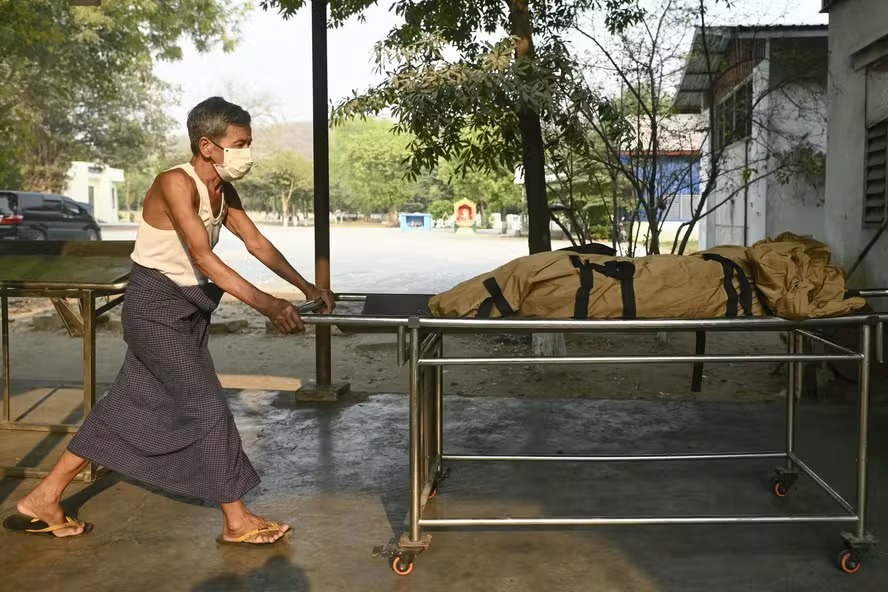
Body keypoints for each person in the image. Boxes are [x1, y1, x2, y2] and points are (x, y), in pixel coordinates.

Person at [3, 96, 333, 545]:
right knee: (208, 407)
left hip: (189, 313)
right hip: (154, 311)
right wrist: (269, 305)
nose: (247, 153)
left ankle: (43, 496)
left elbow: (256, 242)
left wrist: (306, 287)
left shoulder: (222, 190)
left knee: (123, 409)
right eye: (240, 143)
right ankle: (236, 520)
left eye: (249, 142)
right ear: (207, 145)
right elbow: (204, 257)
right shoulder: (175, 183)